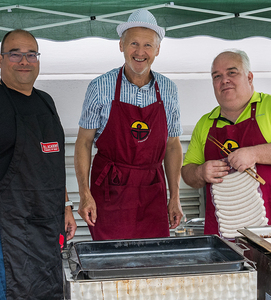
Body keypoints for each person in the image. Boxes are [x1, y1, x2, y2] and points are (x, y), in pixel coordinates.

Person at [74, 8, 183, 240]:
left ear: (157, 50)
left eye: (148, 45)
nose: (140, 52)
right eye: (134, 43)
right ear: (121, 45)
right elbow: (83, 143)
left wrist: (175, 196)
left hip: (152, 192)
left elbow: (173, 145)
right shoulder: (100, 87)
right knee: (111, 263)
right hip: (110, 193)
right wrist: (84, 193)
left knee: (153, 263)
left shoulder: (168, 89)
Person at [181, 49, 271, 236]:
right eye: (217, 76)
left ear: (250, 77)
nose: (224, 80)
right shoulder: (205, 123)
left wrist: (254, 154)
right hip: (225, 230)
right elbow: (188, 173)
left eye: (232, 72)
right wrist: (200, 172)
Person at [0, 29, 77, 300]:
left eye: (31, 54)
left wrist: (66, 205)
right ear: (1, 59)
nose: (24, 61)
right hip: (11, 232)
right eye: (15, 54)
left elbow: (53, 163)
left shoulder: (46, 101)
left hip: (48, 226)